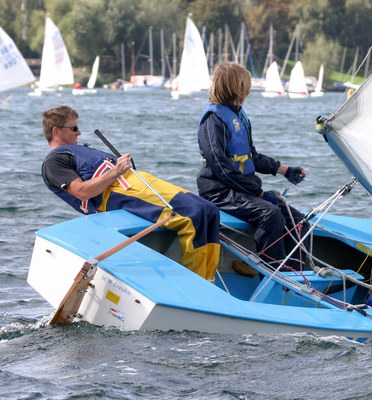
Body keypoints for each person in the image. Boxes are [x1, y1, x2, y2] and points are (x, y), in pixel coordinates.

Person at [41, 105, 221, 281]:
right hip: (119, 192)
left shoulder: (77, 150)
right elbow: (82, 192)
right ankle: (196, 282)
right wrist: (116, 170)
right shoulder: (54, 161)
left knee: (209, 210)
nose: (79, 133)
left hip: (136, 182)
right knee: (192, 215)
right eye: (74, 128)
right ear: (56, 131)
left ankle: (209, 278)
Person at [196, 61, 309, 268]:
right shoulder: (213, 120)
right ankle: (272, 270)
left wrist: (284, 170)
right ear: (237, 87)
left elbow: (251, 157)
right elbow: (220, 167)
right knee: (270, 213)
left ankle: (297, 271)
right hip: (219, 192)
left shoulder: (239, 115)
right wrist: (257, 192)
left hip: (242, 189)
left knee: (299, 222)